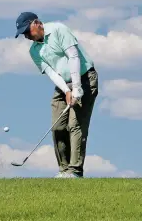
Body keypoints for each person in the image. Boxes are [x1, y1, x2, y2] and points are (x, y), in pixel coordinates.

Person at [14, 12, 99, 178]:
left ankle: (75, 171)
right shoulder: (34, 51)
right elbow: (52, 73)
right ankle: (64, 170)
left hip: (85, 78)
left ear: (37, 23)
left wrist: (76, 88)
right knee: (58, 126)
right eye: (23, 34)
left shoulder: (59, 29)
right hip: (63, 85)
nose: (27, 36)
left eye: (27, 31)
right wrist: (67, 90)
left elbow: (73, 57)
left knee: (75, 125)